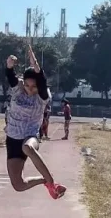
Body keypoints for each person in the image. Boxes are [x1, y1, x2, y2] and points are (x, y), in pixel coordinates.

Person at [5, 46, 66, 199]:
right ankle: (44, 180)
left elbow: (43, 82)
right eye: (27, 85)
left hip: (30, 135)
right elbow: (10, 76)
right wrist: (9, 65)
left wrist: (36, 66)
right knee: (18, 185)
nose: (30, 89)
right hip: (12, 139)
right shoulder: (18, 89)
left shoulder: (43, 96)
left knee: (28, 148)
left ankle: (53, 184)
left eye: (34, 87)